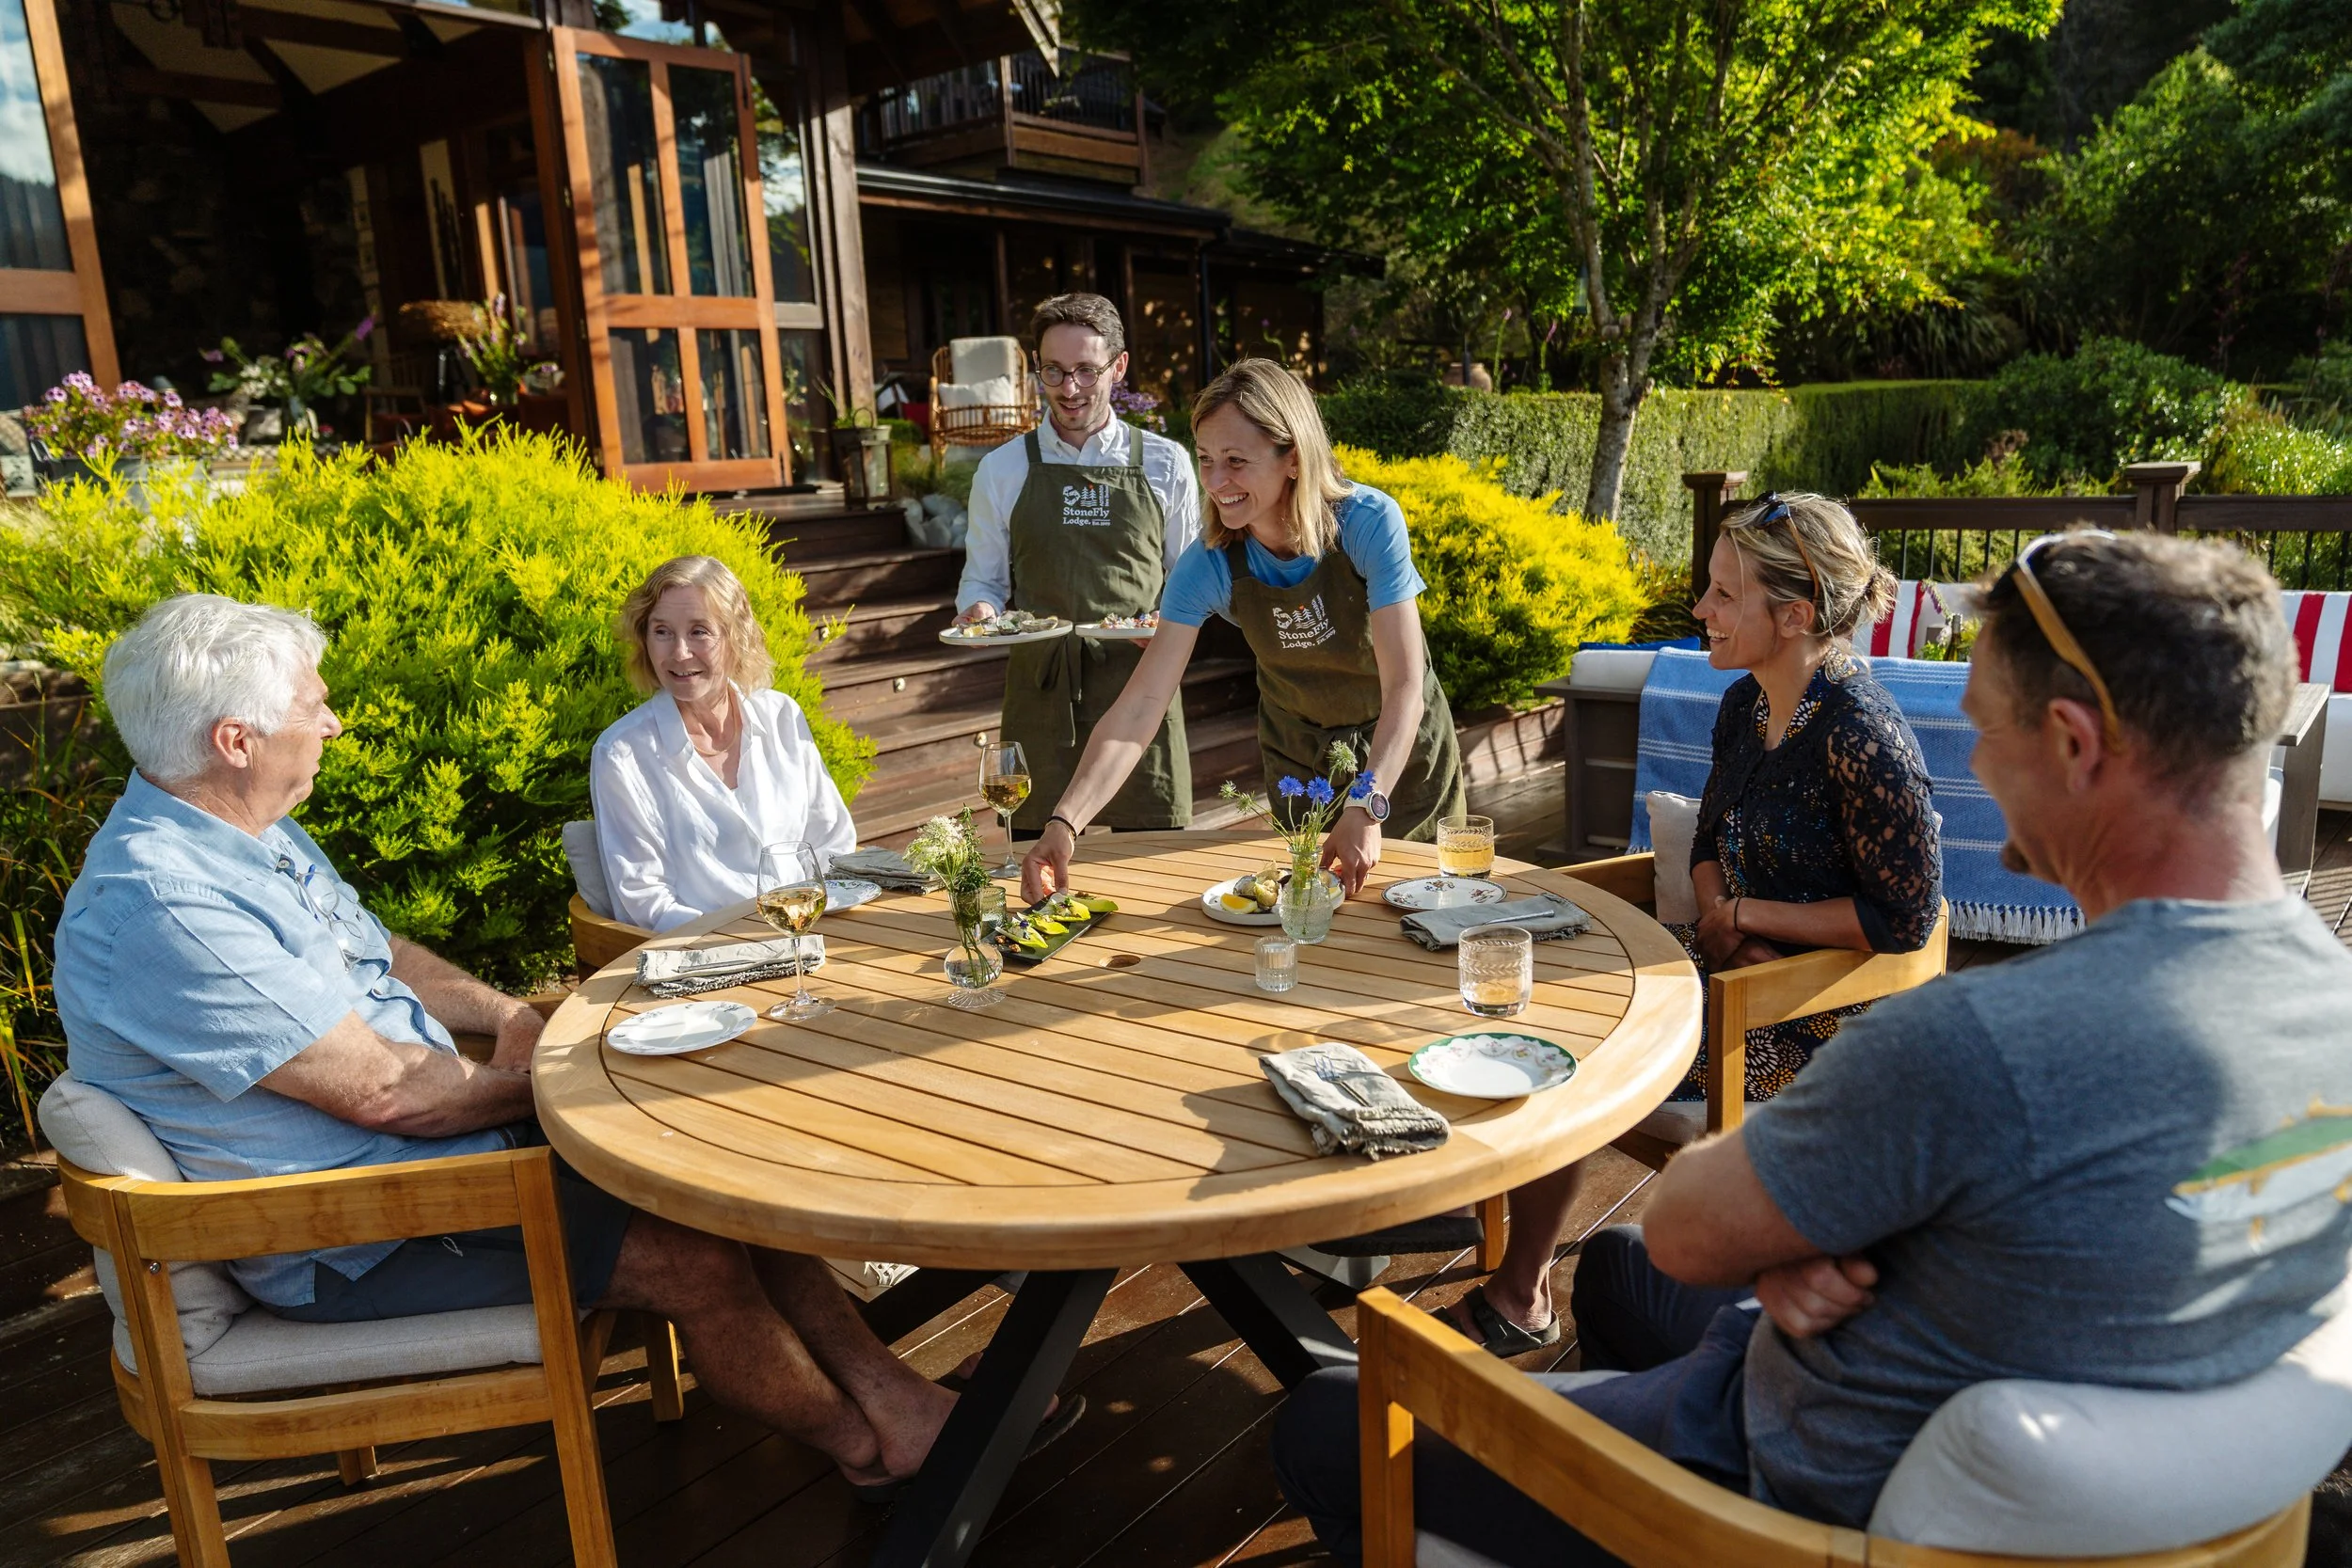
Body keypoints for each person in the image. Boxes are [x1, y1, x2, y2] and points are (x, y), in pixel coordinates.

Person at [1271, 531, 2352, 1564]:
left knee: (1323, 1413)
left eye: (1986, 728)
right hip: (2028, 1462)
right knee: (1613, 1266)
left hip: (1768, 1501)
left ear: (2071, 742)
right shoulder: (2335, 1008)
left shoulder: (1981, 1044)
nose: (1972, 759)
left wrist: (1798, 1232)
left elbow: (1696, 1227)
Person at [53, 594, 1073, 1497]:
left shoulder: (245, 831)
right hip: (355, 1232)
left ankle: (898, 1403)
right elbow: (389, 1098)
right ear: (235, 739)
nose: (331, 719)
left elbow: (385, 956)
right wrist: (569, 1073)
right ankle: (880, 1444)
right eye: (310, 705)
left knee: (713, 1174)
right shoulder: (165, 904)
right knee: (693, 1250)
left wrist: (507, 1015)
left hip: (430, 1163)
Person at [1449, 493, 1944, 1354]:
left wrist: (1755, 921)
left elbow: (1904, 920)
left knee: (1585, 1056)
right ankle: (1490, 1246)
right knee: (1543, 1001)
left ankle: (1522, 1291)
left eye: (1723, 594)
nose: (1700, 610)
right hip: (1721, 968)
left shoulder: (1864, 736)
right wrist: (1718, 910)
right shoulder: (1745, 707)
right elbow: (1710, 836)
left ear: (1793, 616)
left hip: (1814, 1022)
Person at [1025, 358, 1467, 901]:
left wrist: (1366, 803)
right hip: (1300, 760)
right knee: (1310, 918)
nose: (1215, 482)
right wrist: (1064, 823)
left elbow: (1404, 685)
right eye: (1206, 460)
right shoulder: (1207, 565)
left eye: (1236, 461)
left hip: (1400, 757)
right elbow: (1140, 705)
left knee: (1425, 916)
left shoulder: (1368, 524)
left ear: (1293, 459)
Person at [953, 293, 1200, 835]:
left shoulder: (1166, 463)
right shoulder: (1002, 469)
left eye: (1087, 370)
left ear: (1119, 366)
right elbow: (984, 580)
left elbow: (1189, 580)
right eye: (1054, 371)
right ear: (1036, 369)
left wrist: (1166, 621)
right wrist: (978, 608)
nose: (1069, 389)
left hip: (1141, 686)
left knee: (1148, 871)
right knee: (1039, 874)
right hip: (1042, 692)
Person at [590, 555, 856, 932]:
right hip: (709, 960)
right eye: (662, 632)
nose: (680, 653)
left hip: (815, 935)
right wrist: (736, 940)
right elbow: (644, 899)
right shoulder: (621, 754)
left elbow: (833, 842)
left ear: (736, 637)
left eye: (700, 631)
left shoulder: (782, 715)